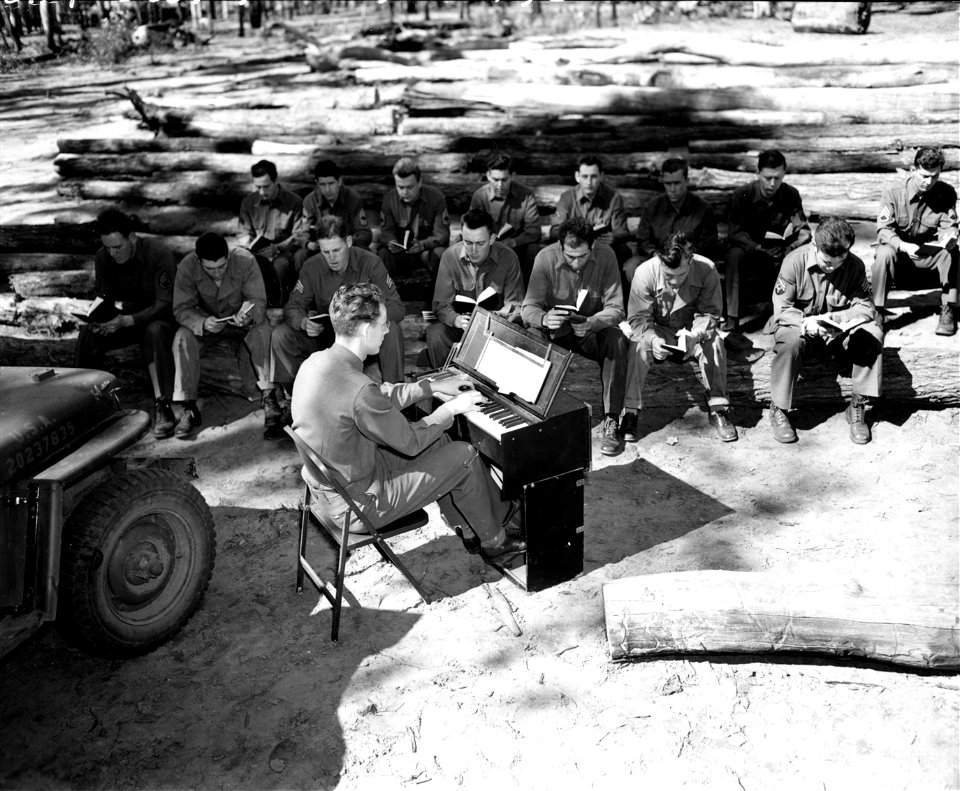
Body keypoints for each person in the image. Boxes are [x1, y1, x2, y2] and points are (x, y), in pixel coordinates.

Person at [291, 282, 526, 565]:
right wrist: (451, 408)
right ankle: (495, 542)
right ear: (366, 330)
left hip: (338, 485)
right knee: (464, 454)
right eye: (383, 323)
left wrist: (430, 387)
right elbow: (410, 442)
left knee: (439, 440)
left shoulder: (316, 363)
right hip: (359, 505)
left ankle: (469, 525)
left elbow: (379, 397)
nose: (388, 329)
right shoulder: (359, 389)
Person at [765, 216, 883, 445]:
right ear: (814, 246)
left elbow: (865, 306)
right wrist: (806, 322)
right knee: (789, 343)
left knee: (873, 334)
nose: (834, 267)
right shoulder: (794, 262)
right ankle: (778, 408)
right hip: (801, 328)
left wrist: (838, 320)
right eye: (828, 262)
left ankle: (857, 406)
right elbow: (782, 308)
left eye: (841, 261)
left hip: (837, 334)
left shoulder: (855, 265)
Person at [522, 216, 632, 457]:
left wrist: (593, 322)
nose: (575, 262)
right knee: (530, 334)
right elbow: (528, 307)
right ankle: (530, 415)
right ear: (561, 246)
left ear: (592, 246)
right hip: (555, 332)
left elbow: (616, 308)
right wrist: (543, 319)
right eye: (570, 256)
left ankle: (612, 419)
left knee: (617, 340)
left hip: (590, 330)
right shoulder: (545, 258)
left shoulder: (607, 256)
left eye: (582, 256)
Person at [272, 215, 406, 397]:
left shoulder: (370, 262)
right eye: (325, 252)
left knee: (393, 330)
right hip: (327, 338)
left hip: (364, 338)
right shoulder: (312, 266)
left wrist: (364, 316)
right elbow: (292, 307)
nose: (332, 258)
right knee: (281, 335)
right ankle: (297, 398)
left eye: (337, 250)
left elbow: (397, 307)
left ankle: (396, 395)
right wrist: (303, 323)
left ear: (349, 241)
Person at [74, 209, 179, 439]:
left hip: (160, 318)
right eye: (108, 247)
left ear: (132, 237)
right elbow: (104, 296)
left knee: (155, 331)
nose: (112, 253)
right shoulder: (103, 257)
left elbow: (166, 302)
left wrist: (128, 320)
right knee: (87, 335)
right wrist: (100, 319)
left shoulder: (158, 254)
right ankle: (84, 406)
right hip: (126, 319)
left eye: (117, 247)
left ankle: (164, 406)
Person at [623, 231, 736, 443]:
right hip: (659, 332)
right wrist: (653, 340)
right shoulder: (644, 273)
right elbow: (638, 319)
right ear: (659, 259)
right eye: (668, 276)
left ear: (690, 260)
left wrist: (696, 334)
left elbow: (711, 314)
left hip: (693, 331)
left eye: (680, 275)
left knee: (716, 343)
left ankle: (718, 407)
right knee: (637, 346)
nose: (674, 282)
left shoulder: (706, 269)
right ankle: (630, 411)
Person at [172, 233, 283, 440]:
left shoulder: (245, 259)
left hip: (242, 323)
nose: (216, 273)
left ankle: (269, 396)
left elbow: (258, 300)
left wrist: (247, 316)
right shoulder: (187, 266)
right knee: (182, 337)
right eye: (209, 269)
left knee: (262, 330)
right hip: (208, 325)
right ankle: (188, 405)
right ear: (198, 260)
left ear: (228, 258)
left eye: (221, 267)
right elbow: (181, 308)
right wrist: (202, 322)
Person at [871, 146, 959, 337]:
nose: (929, 182)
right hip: (900, 254)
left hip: (927, 255)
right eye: (924, 176)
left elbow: (949, 226)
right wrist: (902, 245)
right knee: (884, 252)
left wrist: (949, 238)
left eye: (934, 176)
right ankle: (877, 311)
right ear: (913, 170)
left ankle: (948, 308)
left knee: (952, 252)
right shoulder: (893, 192)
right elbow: (884, 230)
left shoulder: (946, 193)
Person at [724, 149, 811, 334]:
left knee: (805, 253)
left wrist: (789, 249)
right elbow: (735, 232)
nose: (772, 184)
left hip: (780, 254)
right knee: (733, 255)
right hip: (751, 254)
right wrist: (756, 248)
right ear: (757, 174)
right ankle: (732, 320)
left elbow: (803, 231)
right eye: (767, 177)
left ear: (784, 175)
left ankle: (793, 313)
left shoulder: (791, 195)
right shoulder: (742, 195)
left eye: (777, 178)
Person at [426, 209, 525, 368]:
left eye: (480, 243)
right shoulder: (450, 256)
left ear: (492, 238)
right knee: (436, 334)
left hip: (497, 327)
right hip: (461, 325)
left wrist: (498, 317)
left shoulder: (509, 257)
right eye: (468, 242)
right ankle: (445, 381)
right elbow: (440, 305)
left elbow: (516, 306)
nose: (473, 250)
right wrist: (456, 319)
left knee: (520, 338)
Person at [626, 157, 719, 285]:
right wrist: (655, 255)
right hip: (656, 259)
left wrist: (683, 257)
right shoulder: (652, 207)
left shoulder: (703, 209)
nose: (672, 189)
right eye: (667, 184)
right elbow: (643, 240)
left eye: (677, 183)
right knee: (631, 267)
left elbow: (708, 243)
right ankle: (644, 304)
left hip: (689, 261)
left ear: (687, 181)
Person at [238, 159, 304, 308]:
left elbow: (299, 234)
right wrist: (249, 245)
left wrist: (278, 248)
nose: (262, 192)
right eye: (258, 187)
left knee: (280, 265)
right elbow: (243, 232)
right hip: (258, 252)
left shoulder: (294, 202)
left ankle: (279, 307)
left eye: (266, 187)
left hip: (285, 252)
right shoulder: (249, 203)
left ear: (276, 181)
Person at [468, 152, 541, 283]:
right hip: (487, 247)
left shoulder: (526, 195)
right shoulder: (480, 196)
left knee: (533, 248)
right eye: (496, 180)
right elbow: (472, 228)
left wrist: (511, 243)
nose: (500, 185)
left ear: (513, 176)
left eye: (504, 180)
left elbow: (534, 232)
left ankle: (527, 290)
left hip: (517, 247)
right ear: (488, 176)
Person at [551, 154, 632, 266]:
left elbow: (622, 231)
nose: (589, 182)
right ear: (577, 176)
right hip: (573, 247)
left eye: (593, 176)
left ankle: (614, 282)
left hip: (602, 248)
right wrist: (572, 236)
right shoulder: (567, 197)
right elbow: (555, 230)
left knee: (623, 250)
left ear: (601, 176)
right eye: (585, 176)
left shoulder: (613, 198)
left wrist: (613, 237)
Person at [295, 159, 372, 273]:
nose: (327, 189)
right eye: (322, 184)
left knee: (365, 254)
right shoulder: (310, 201)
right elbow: (302, 233)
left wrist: (346, 243)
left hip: (347, 247)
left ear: (339, 181)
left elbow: (365, 233)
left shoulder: (353, 199)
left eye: (331, 183)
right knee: (300, 255)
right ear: (316, 183)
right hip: (321, 249)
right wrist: (310, 244)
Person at [378, 157, 450, 277]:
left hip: (426, 251)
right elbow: (386, 231)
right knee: (383, 254)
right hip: (399, 253)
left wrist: (423, 245)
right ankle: (388, 293)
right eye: (400, 187)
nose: (404, 192)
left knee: (441, 254)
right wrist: (391, 242)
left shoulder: (436, 198)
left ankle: (436, 293)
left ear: (420, 182)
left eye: (409, 187)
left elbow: (442, 235)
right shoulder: (389, 199)